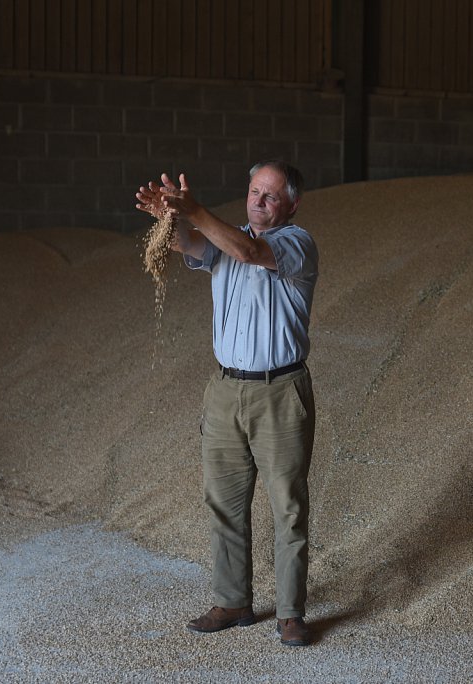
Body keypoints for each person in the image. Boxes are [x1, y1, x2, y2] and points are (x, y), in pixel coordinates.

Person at [135, 160, 319, 647]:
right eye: (255, 191)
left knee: (287, 505)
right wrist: (169, 218)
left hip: (279, 392)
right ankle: (233, 600)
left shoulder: (295, 243)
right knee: (225, 502)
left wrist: (194, 208)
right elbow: (188, 245)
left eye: (271, 196)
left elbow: (247, 251)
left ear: (291, 205)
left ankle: (290, 612)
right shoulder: (223, 236)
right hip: (225, 391)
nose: (259, 201)